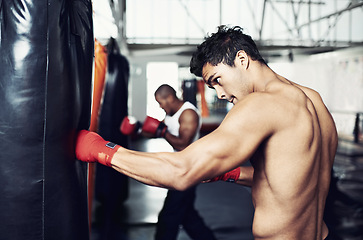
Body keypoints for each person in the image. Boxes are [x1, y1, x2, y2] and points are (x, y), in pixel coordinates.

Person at [76, 25, 338, 240]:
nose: (221, 94)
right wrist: (231, 172)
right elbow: (296, 176)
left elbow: (180, 171)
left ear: (242, 60)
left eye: (217, 80)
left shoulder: (261, 104)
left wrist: (101, 150)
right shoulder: (312, 100)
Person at [146, 84, 216, 240]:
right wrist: (139, 127)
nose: (160, 106)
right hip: (180, 167)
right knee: (187, 215)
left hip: (190, 169)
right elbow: (154, 132)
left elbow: (183, 144)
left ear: (169, 98)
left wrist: (162, 131)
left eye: (161, 102)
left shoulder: (188, 114)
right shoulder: (171, 114)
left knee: (169, 215)